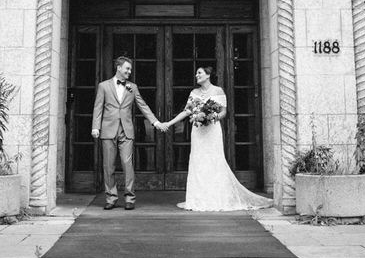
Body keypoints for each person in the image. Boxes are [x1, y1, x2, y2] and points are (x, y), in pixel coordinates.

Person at [161, 66, 273, 211]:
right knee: (198, 162)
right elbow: (187, 111)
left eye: (199, 73)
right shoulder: (194, 92)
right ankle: (199, 199)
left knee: (214, 160)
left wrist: (212, 117)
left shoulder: (218, 91)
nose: (196, 75)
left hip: (212, 131)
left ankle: (217, 198)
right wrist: (169, 123)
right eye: (196, 73)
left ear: (208, 75)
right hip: (198, 132)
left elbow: (223, 112)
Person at [91, 56, 164, 210]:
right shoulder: (103, 86)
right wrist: (95, 127)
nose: (129, 72)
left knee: (127, 163)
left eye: (130, 69)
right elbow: (98, 107)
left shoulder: (132, 87)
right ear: (118, 67)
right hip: (108, 129)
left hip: (127, 130)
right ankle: (111, 198)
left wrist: (155, 122)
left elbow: (142, 105)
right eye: (127, 69)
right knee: (108, 166)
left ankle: (130, 198)